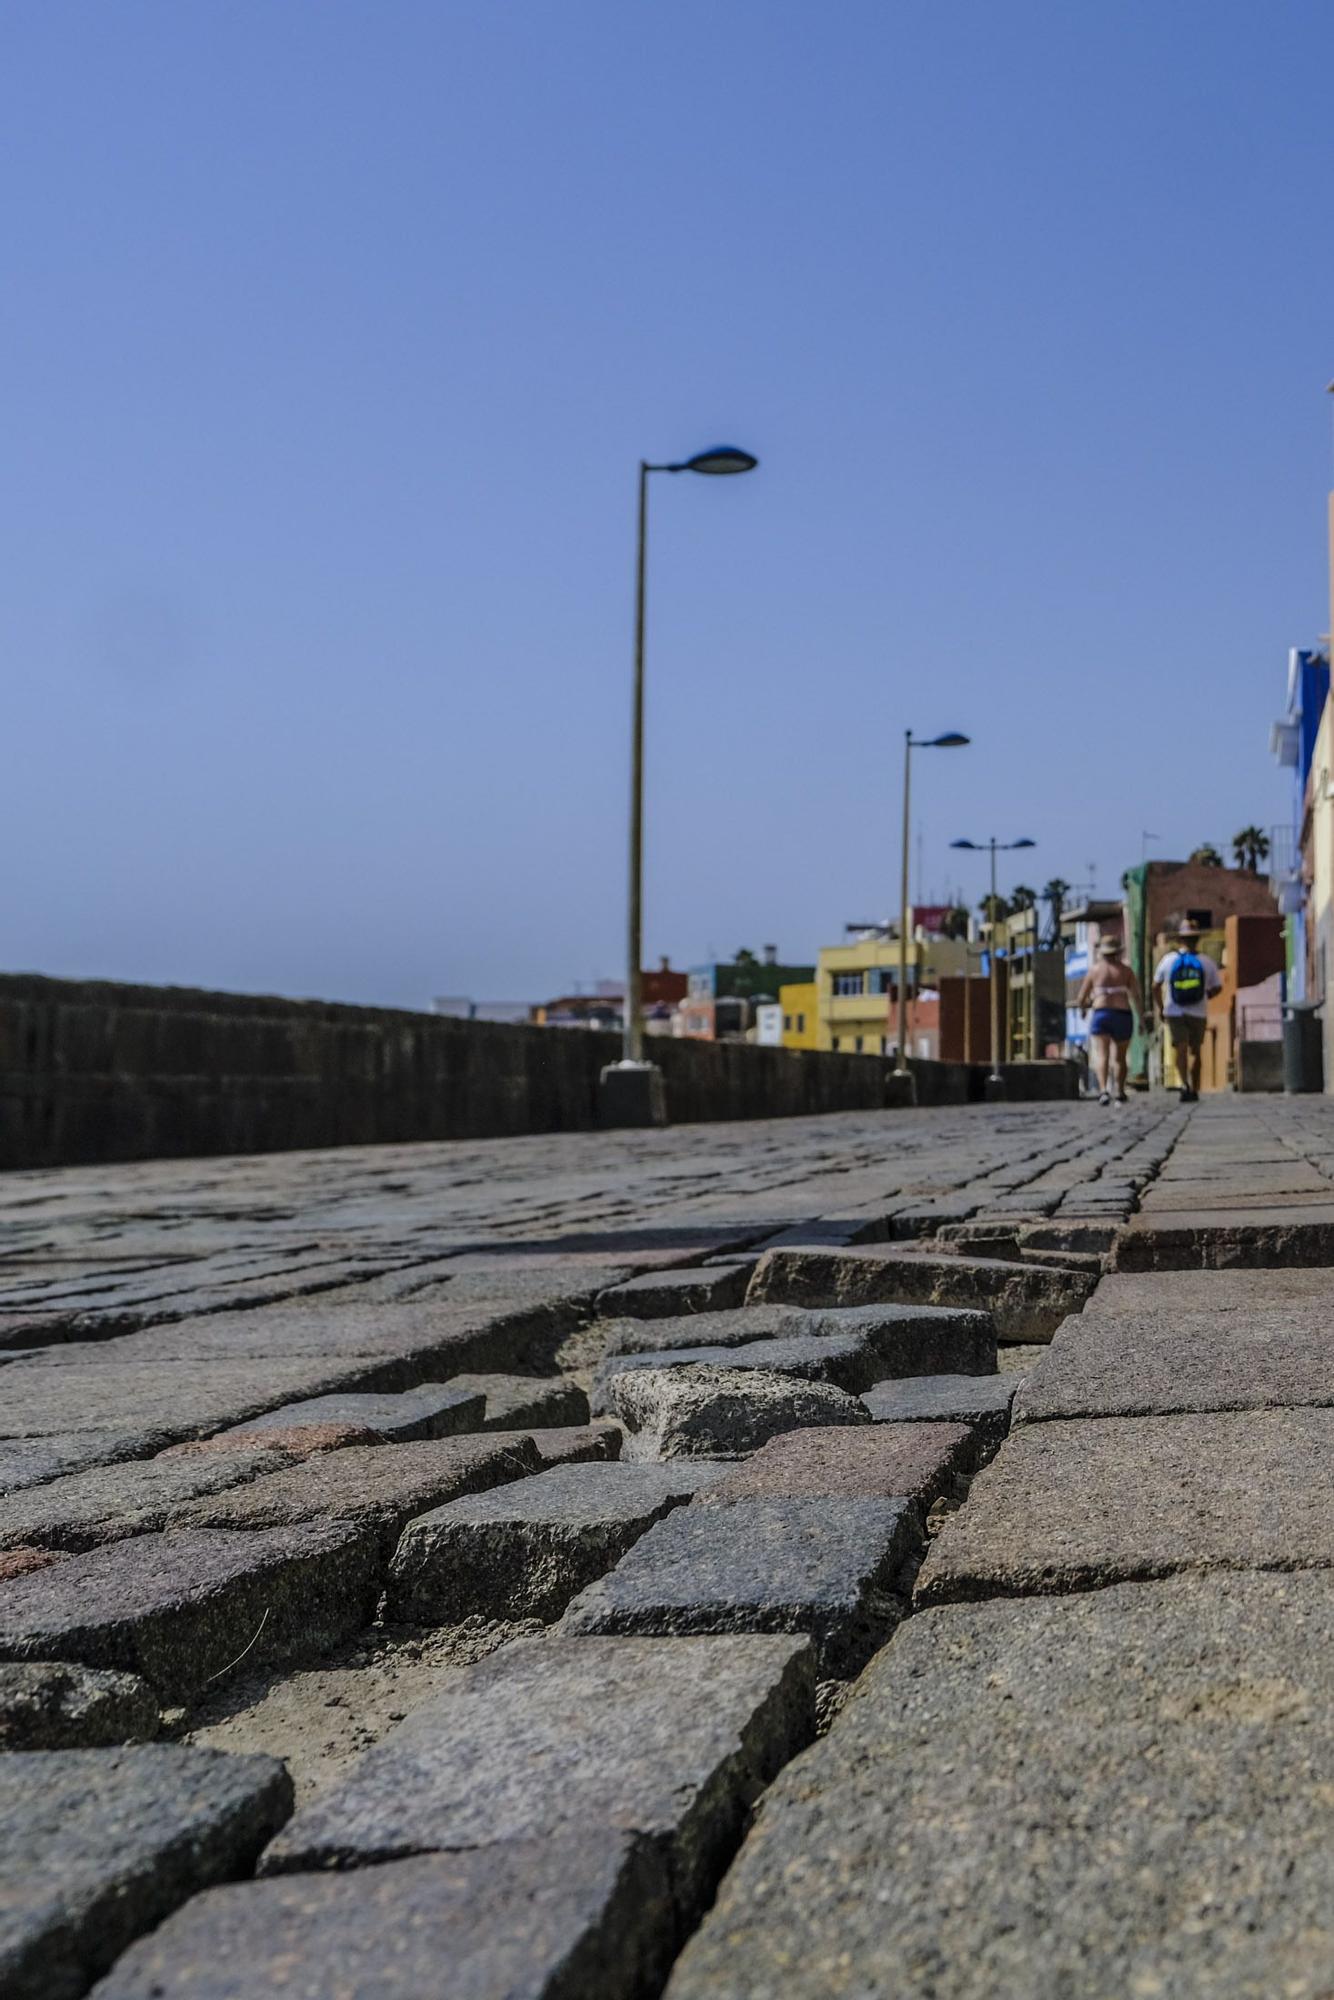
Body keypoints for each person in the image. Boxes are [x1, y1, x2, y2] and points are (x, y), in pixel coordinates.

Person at [1152, 921, 1222, 1103]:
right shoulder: (1206, 962)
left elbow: (1155, 986)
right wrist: (1203, 995)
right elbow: (1217, 988)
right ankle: (1195, 1087)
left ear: (1180, 940)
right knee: (1195, 1051)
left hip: (1174, 1011)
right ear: (1197, 939)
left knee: (1180, 1049)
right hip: (1198, 1012)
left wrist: (1161, 1008)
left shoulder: (1169, 960)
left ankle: (1184, 1084)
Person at [1076, 934, 1142, 1105]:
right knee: (1120, 1057)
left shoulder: (1095, 971)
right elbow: (1136, 996)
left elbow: (1081, 997)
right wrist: (1141, 1019)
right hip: (1122, 1013)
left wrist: (1083, 1009)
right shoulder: (1126, 971)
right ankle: (1119, 1090)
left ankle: (1104, 1090)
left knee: (1102, 1054)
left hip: (1101, 1013)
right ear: (1118, 952)